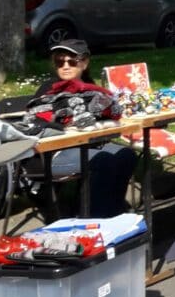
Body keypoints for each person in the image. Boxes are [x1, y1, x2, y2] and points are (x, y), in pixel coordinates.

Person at [33, 40, 136, 216]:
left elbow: (105, 116)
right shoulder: (48, 90)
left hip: (90, 145)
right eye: (59, 62)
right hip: (55, 153)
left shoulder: (91, 88)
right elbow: (36, 124)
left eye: (72, 61)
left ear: (84, 63)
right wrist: (65, 128)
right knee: (103, 160)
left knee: (127, 155)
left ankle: (114, 210)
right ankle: (93, 217)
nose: (65, 66)